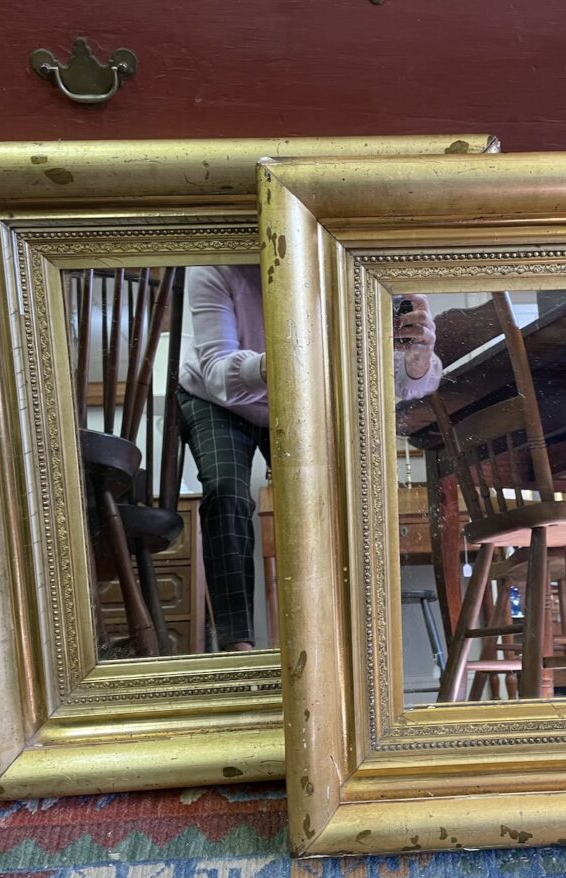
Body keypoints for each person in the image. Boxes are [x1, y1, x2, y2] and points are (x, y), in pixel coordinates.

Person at [178, 265, 441, 651]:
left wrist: (417, 359)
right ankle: (238, 646)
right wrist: (290, 353)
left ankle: (326, 641)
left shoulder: (350, 266)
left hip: (294, 392)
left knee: (322, 500)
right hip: (215, 398)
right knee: (226, 491)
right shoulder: (215, 267)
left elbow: (397, 385)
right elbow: (219, 375)